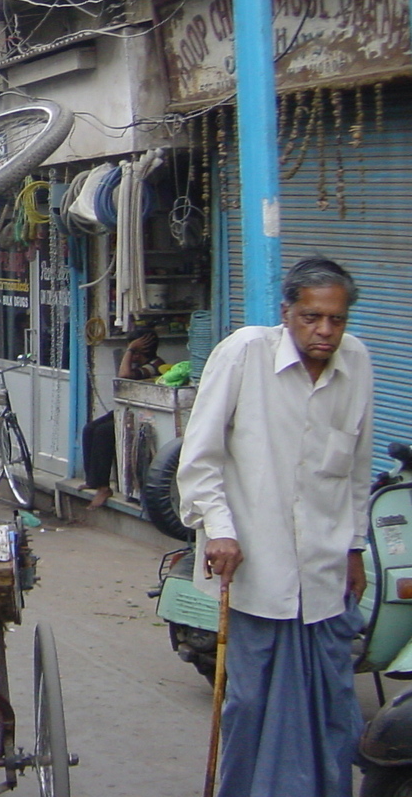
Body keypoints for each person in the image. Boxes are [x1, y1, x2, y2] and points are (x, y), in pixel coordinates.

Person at [177, 257, 372, 797]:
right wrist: (218, 528)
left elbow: (356, 466)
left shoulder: (357, 362)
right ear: (287, 313)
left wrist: (355, 546)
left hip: (325, 574)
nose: (325, 330)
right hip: (254, 571)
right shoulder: (244, 354)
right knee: (251, 703)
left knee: (334, 705)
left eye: (336, 319)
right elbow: (201, 457)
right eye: (312, 317)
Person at [82, 327, 166, 509]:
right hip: (129, 412)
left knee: (104, 433)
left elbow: (124, 376)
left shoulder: (155, 365)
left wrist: (130, 350)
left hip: (144, 417)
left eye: (133, 350)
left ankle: (104, 487)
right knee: (90, 429)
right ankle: (93, 480)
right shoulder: (140, 363)